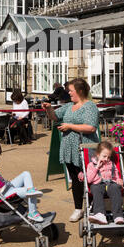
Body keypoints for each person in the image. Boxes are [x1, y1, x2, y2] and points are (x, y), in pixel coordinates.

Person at [42, 78, 100, 222]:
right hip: (69, 149)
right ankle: (78, 208)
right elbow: (55, 117)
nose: (68, 92)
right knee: (75, 179)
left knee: (90, 178)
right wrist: (49, 109)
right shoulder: (69, 106)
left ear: (80, 91)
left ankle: (95, 207)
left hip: (85, 148)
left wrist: (70, 126)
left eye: (71, 90)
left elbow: (91, 127)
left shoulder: (90, 106)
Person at [86, 141, 124, 225]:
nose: (106, 159)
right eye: (104, 156)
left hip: (111, 183)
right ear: (98, 154)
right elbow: (89, 180)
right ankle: (100, 214)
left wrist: (118, 180)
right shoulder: (91, 165)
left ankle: (118, 215)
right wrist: (97, 167)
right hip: (98, 184)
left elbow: (116, 175)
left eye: (109, 157)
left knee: (115, 188)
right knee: (96, 188)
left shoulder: (112, 164)